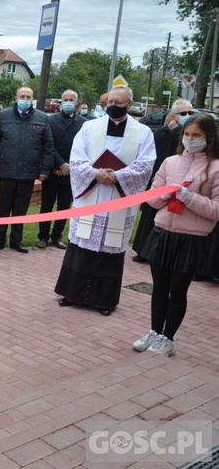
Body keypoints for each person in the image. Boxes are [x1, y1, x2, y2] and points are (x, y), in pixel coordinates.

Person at [55, 85, 156, 316]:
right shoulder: (90, 127)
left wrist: (117, 176)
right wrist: (96, 174)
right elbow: (77, 157)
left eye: (118, 104)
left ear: (130, 105)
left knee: (108, 250)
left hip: (118, 199)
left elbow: (145, 165)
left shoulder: (143, 133)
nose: (112, 107)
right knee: (81, 245)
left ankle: (104, 300)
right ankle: (71, 293)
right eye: (109, 103)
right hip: (91, 193)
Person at [133, 112, 219, 356]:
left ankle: (168, 337)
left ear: (209, 137)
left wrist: (189, 197)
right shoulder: (171, 162)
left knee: (177, 290)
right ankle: (153, 331)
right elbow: (152, 195)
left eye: (197, 135)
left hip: (191, 237)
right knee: (159, 286)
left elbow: (216, 209)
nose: (191, 139)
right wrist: (161, 196)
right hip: (163, 232)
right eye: (188, 134)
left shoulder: (215, 168)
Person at [0, 86, 54, 253]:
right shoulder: (3, 116)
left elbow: (48, 146)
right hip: (6, 171)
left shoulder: (42, 118)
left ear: (33, 100)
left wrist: (45, 169)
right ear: (16, 98)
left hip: (28, 172)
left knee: (20, 209)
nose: (25, 99)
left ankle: (16, 241)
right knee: (2, 208)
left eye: (28, 97)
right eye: (22, 96)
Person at [132, 99, 192, 262]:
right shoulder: (161, 133)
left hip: (181, 182)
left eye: (190, 113)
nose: (188, 116)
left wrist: (176, 132)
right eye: (183, 113)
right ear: (173, 116)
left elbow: (184, 150)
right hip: (159, 179)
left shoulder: (190, 135)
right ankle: (143, 250)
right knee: (150, 217)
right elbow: (154, 156)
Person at [36, 89, 88, 250]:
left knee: (64, 206)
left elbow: (84, 147)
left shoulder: (84, 123)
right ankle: (43, 236)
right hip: (52, 170)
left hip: (71, 173)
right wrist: (60, 164)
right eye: (65, 99)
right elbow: (47, 144)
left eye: (71, 99)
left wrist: (70, 165)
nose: (68, 102)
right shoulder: (50, 121)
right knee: (46, 205)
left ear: (77, 102)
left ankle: (57, 236)